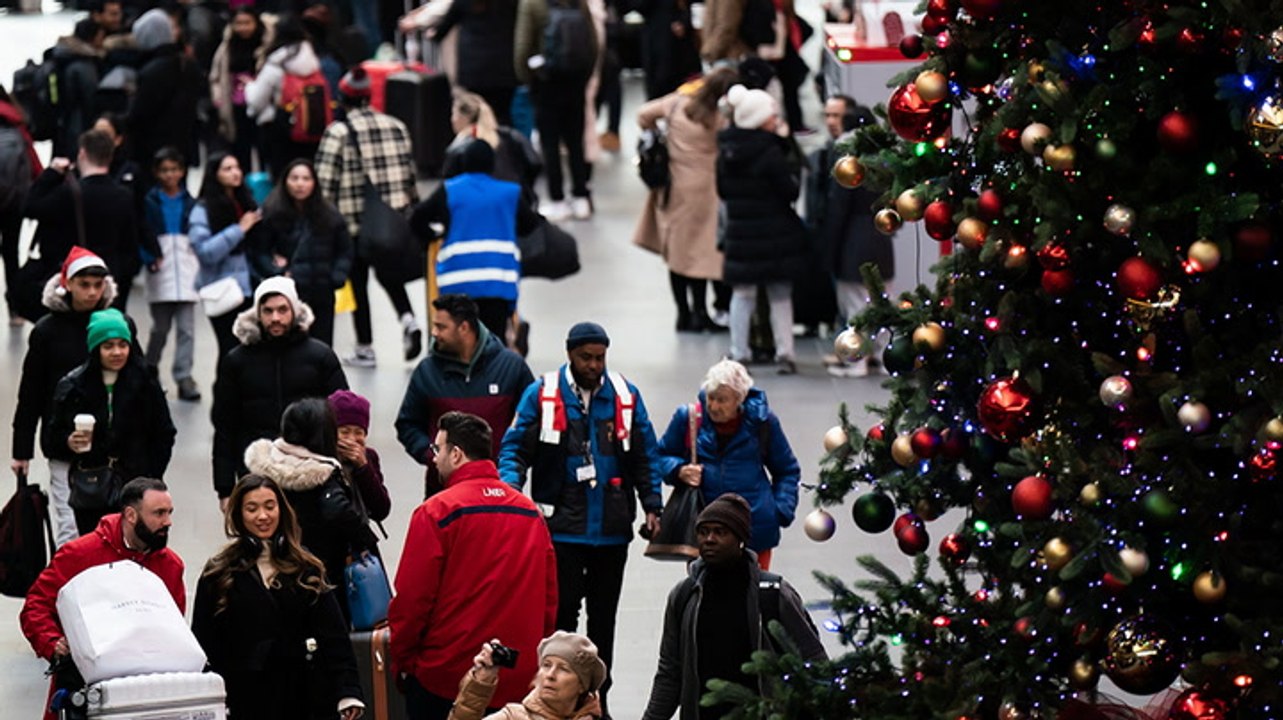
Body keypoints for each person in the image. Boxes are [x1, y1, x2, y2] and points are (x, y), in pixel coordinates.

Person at [498, 322, 663, 719]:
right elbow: (514, 448)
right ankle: (558, 706)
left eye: (600, 357)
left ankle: (598, 706)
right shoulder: (542, 394)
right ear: (570, 354)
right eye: (586, 357)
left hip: (611, 532)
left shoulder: (624, 396)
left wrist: (653, 505)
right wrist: (511, 492)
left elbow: (646, 454)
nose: (594, 365)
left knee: (604, 624)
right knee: (561, 621)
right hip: (561, 533)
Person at [389, 411, 558, 720]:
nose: (434, 458)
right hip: (517, 680)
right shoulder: (530, 514)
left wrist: (404, 663)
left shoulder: (436, 512)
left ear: (456, 453)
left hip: (446, 679)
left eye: (437, 449)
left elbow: (412, 601)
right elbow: (548, 601)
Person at [192, 474, 365, 720]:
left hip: (305, 698)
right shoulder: (218, 572)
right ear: (238, 514)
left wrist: (348, 691)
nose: (263, 516)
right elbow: (204, 643)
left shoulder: (306, 567)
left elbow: (334, 636)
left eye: (270, 506)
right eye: (252, 508)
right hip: (245, 700)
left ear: (281, 510)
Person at [640, 493, 826, 720]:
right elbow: (670, 673)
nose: (709, 539)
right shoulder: (684, 595)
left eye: (720, 532)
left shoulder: (772, 593)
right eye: (703, 532)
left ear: (740, 539)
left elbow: (813, 660)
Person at [20, 478, 182, 720]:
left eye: (169, 512)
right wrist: (52, 643)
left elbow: (174, 628)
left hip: (145, 691)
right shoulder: (79, 555)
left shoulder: (171, 566)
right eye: (159, 513)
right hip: (83, 687)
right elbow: (36, 606)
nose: (168, 521)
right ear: (131, 515)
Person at [11, 249, 136, 546]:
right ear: (67, 284)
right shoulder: (47, 331)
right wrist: (21, 450)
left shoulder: (118, 325)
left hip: (112, 450)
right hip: (63, 445)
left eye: (98, 285)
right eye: (84, 285)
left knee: (114, 533)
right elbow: (31, 392)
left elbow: (140, 382)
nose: (92, 292)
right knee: (70, 531)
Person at [314, 66, 421, 368]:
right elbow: (410, 175)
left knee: (358, 283)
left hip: (352, 222)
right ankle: (408, 319)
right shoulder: (396, 126)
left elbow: (324, 183)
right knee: (389, 274)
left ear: (342, 98)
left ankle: (365, 347)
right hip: (391, 221)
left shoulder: (338, 132)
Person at [211, 276, 348, 508]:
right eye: (268, 311)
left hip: (310, 472)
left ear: (294, 310)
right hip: (256, 473)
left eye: (282, 310)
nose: (275, 318)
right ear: (258, 313)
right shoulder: (237, 361)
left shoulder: (320, 356)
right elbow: (225, 426)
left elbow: (342, 415)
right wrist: (224, 488)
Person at [243, 397, 380, 622]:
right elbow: (338, 510)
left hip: (272, 566)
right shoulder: (324, 475)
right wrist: (366, 539)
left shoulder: (269, 464)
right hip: (322, 572)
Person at [655, 359, 798, 569]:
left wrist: (779, 512)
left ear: (740, 399)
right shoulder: (689, 418)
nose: (713, 406)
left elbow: (787, 471)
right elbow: (659, 456)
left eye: (722, 400)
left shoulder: (763, 422)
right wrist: (678, 470)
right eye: (711, 398)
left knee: (754, 587)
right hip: (706, 533)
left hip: (755, 530)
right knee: (705, 587)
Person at [46, 308, 175, 534]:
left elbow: (164, 432)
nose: (117, 352)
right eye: (108, 346)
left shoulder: (145, 381)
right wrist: (69, 442)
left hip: (135, 483)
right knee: (95, 545)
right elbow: (52, 437)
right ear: (96, 348)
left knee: (136, 545)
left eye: (122, 345)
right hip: (91, 486)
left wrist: (151, 476)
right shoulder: (74, 386)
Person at [396, 294, 534, 497]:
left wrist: (512, 466)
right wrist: (433, 454)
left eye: (441, 327)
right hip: (442, 493)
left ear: (464, 328)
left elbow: (531, 423)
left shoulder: (512, 367)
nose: (434, 333)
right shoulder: (426, 371)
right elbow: (408, 424)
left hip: (499, 493)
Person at [631, 68, 737, 333]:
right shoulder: (720, 116)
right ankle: (703, 312)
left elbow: (643, 114)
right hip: (709, 188)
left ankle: (683, 313)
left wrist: (656, 133)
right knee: (702, 253)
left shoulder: (677, 103)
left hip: (676, 186)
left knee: (678, 254)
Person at [411, 141, 541, 339]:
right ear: (492, 164)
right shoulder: (510, 193)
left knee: (460, 343)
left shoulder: (450, 190)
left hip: (456, 283)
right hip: (498, 281)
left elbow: (417, 218)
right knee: (493, 343)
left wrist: (434, 236)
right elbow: (530, 225)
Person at [717, 84, 805, 374]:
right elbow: (790, 190)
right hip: (774, 232)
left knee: (743, 295)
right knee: (780, 295)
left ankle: (739, 353)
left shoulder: (726, 152)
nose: (776, 119)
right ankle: (785, 353)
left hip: (740, 232)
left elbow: (722, 191)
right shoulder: (771, 152)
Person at [809, 96, 890, 377]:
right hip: (881, 241)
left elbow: (838, 209)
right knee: (881, 302)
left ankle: (856, 362)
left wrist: (827, 250)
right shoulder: (884, 160)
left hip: (853, 242)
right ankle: (882, 356)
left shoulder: (847, 162)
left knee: (854, 305)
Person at [22, 129, 144, 308]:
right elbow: (130, 244)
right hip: (107, 280)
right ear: (110, 156)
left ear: (82, 153)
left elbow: (30, 207)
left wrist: (52, 174)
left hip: (74, 280)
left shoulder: (67, 194)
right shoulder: (124, 196)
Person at [514, 0, 599, 222]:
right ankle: (581, 196)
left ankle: (557, 199)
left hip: (546, 82)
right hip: (575, 81)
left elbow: (522, 48)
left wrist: (529, 80)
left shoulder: (531, 3)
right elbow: (593, 44)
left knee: (550, 144)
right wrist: (583, 75)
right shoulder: (578, 2)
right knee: (576, 142)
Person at [253, 158, 354, 346]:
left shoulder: (329, 215)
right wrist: (277, 273)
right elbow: (260, 251)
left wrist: (337, 276)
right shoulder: (273, 213)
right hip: (287, 294)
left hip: (322, 290)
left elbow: (345, 249)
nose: (300, 184)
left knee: (322, 345)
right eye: (295, 178)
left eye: (306, 179)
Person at [141, 146, 201, 401]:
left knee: (187, 329)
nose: (170, 175)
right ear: (157, 173)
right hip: (162, 270)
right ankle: (149, 367)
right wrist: (149, 258)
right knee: (160, 328)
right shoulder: (150, 202)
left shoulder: (191, 203)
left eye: (174, 169)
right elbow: (142, 233)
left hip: (186, 271)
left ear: (182, 171)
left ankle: (183, 376)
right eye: (165, 170)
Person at [191, 151, 261, 356]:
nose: (235, 173)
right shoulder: (202, 209)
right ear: (215, 174)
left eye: (237, 167)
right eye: (227, 169)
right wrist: (239, 230)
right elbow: (205, 252)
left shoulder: (246, 202)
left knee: (250, 348)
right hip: (221, 289)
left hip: (249, 286)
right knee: (229, 349)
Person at [450, 631, 606, 720]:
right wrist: (481, 681)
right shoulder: (513, 717)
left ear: (582, 686)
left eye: (564, 669)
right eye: (546, 665)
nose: (550, 675)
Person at [245, 13, 324, 178]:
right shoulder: (313, 63)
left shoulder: (275, 65)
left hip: (278, 129)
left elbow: (257, 100)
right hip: (310, 128)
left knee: (281, 178)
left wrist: (249, 87)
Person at [127, 8, 201, 177]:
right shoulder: (188, 64)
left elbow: (140, 114)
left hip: (152, 148)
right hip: (183, 143)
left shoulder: (151, 71)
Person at [442, 89, 542, 209]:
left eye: (453, 114)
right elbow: (534, 162)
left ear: (463, 118)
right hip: (517, 202)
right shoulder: (511, 136)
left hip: (477, 207)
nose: (452, 120)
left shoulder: (460, 147)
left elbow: (448, 184)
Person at [428, 0, 521, 127]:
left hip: (474, 70)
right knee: (503, 114)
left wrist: (433, 34)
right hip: (503, 69)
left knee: (475, 115)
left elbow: (444, 27)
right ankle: (503, 139)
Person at [209, 6, 274, 175]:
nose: (243, 27)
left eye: (247, 23)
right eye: (238, 23)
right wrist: (219, 99)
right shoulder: (227, 46)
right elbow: (216, 76)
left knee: (264, 152)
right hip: (235, 106)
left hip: (262, 106)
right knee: (240, 150)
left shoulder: (268, 46)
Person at [0, 84, 42, 324]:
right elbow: (35, 167)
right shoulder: (18, 124)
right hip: (13, 203)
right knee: (11, 253)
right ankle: (14, 310)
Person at [328, 389, 392, 527]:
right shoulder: (322, 458)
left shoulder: (369, 457)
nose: (352, 439)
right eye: (345, 432)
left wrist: (363, 467)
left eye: (359, 433)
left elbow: (381, 510)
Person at [51, 19, 105, 160]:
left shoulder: (62, 56)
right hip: (79, 126)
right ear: (93, 37)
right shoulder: (84, 65)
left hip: (61, 125)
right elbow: (91, 100)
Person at [631, 0, 700, 100]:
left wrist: (684, 21)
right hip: (656, 37)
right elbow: (638, 6)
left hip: (677, 42)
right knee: (659, 84)